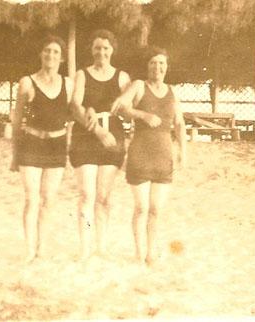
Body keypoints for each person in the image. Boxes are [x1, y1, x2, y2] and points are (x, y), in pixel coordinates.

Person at [70, 29, 160, 260]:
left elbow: (128, 111)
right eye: (97, 48)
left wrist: (134, 114)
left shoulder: (122, 77)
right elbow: (74, 107)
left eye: (106, 48)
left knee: (103, 196)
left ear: (112, 51)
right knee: (87, 195)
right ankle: (84, 248)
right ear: (91, 50)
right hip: (87, 136)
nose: (101, 52)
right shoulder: (82, 75)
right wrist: (97, 129)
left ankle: (101, 246)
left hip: (114, 139)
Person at [111, 47, 186, 266]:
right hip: (140, 152)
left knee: (155, 209)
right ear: (147, 66)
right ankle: (138, 252)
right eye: (153, 63)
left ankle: (151, 252)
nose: (157, 67)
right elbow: (119, 106)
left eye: (161, 63)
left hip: (164, 155)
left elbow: (179, 124)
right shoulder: (138, 86)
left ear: (166, 67)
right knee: (141, 207)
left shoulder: (173, 91)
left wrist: (183, 152)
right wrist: (142, 114)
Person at [11, 35, 74, 263]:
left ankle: (42, 247)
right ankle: (29, 249)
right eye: (47, 50)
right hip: (31, 144)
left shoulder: (69, 84)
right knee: (31, 199)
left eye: (56, 52)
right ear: (41, 54)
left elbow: (75, 114)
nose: (51, 55)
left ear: (62, 58)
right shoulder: (26, 82)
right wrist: (14, 155)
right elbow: (17, 120)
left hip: (56, 147)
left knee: (49, 199)